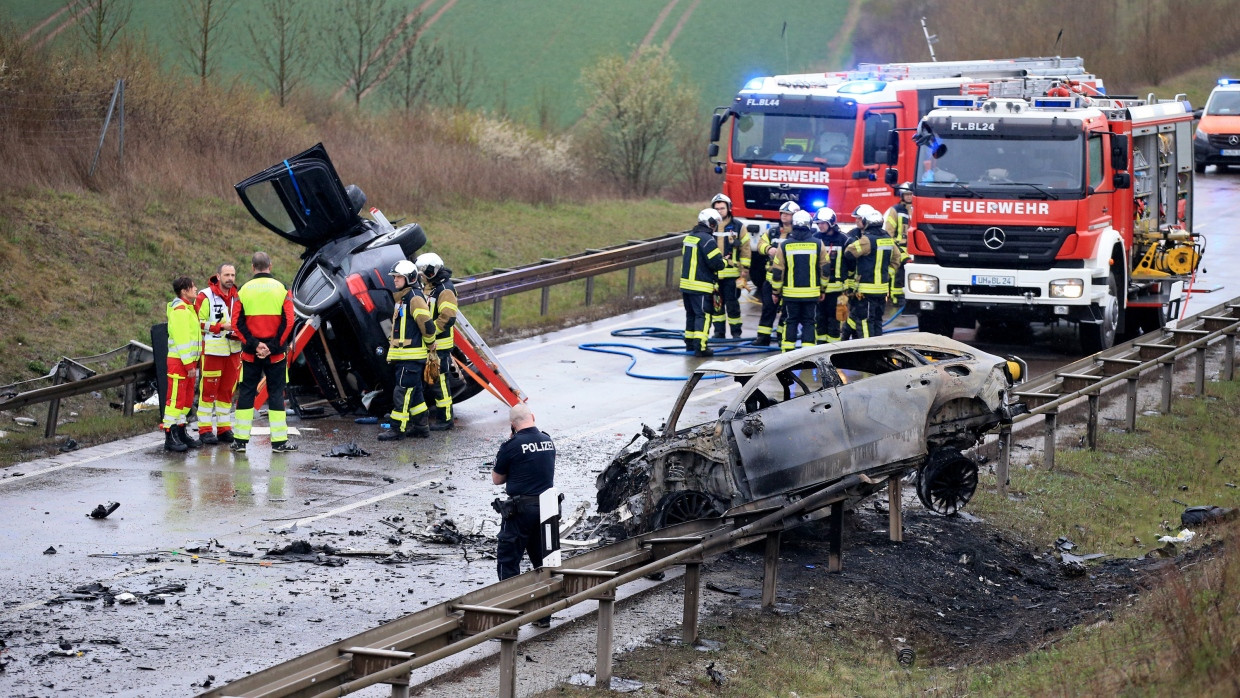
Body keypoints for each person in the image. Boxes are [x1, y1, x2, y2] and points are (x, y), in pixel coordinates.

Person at [231, 251, 297, 454]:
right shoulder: (281, 289)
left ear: (253, 267)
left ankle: (240, 441)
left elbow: (236, 323)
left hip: (251, 354)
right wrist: (272, 346)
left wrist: (254, 345)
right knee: (276, 393)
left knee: (247, 393)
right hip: (275, 355)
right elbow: (289, 321)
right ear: (270, 265)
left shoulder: (243, 290)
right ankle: (279, 443)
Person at [491, 404, 556, 593]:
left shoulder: (511, 446)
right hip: (546, 509)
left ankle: (511, 613)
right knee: (543, 561)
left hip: (519, 512)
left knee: (508, 560)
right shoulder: (548, 441)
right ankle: (544, 616)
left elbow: (497, 479)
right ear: (533, 417)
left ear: (512, 424)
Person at [379, 260, 434, 441]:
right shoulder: (404, 297)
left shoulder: (414, 298)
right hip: (405, 356)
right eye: (394, 277)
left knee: (401, 392)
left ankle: (398, 429)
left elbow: (427, 325)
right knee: (415, 392)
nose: (394, 280)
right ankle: (421, 426)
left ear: (409, 278)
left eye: (398, 277)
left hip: (412, 357)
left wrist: (430, 344)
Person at [193, 263, 241, 445]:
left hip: (233, 350)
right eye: (227, 275)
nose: (230, 278)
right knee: (208, 391)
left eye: (233, 275)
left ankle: (224, 428)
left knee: (227, 391)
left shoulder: (237, 296)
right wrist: (221, 327)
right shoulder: (205, 296)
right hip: (213, 350)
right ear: (218, 276)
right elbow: (198, 323)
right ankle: (205, 429)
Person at [771, 210, 828, 351]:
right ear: (809, 224)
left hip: (790, 295)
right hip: (812, 294)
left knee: (790, 321)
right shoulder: (818, 244)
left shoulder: (784, 245)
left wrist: (775, 292)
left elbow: (778, 271)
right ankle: (807, 354)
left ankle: (787, 355)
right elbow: (825, 269)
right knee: (809, 322)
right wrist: (823, 289)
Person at [842, 205, 897, 339]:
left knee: (865, 321)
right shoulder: (888, 240)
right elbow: (896, 258)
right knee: (877, 320)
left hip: (866, 290)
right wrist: (887, 273)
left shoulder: (867, 240)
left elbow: (849, 252)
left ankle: (866, 350)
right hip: (882, 289)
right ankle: (877, 347)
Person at [417, 252, 457, 431]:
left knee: (440, 383)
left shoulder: (445, 289)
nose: (421, 276)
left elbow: (447, 317)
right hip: (429, 344)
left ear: (432, 271)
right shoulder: (430, 287)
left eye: (423, 272)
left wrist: (429, 332)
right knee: (431, 382)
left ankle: (446, 419)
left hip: (439, 345)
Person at [163, 276, 202, 452]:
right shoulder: (180, 310)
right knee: (175, 400)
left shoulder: (188, 309)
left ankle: (180, 431)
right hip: (180, 362)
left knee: (185, 400)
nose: (196, 289)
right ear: (184, 291)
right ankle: (170, 436)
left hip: (187, 362)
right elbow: (182, 340)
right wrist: (189, 365)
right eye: (192, 287)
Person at [681, 208, 727, 357]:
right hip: (700, 285)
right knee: (703, 315)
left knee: (691, 314)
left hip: (686, 284)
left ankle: (689, 343)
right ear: (711, 223)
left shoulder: (690, 237)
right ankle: (700, 347)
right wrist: (724, 261)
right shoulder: (707, 240)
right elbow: (716, 263)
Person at [753, 201, 799, 346]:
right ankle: (763, 337)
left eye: (787, 214)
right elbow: (760, 244)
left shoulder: (799, 234)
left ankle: (782, 336)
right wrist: (768, 249)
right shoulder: (772, 232)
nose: (784, 216)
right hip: (771, 278)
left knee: (787, 311)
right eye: (782, 213)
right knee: (768, 308)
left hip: (789, 280)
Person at [708, 194, 750, 339]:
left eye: (722, 208)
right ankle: (719, 332)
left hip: (732, 274)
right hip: (714, 274)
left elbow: (745, 249)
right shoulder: (709, 226)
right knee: (717, 305)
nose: (720, 211)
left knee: (732, 305)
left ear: (729, 208)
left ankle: (736, 332)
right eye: (717, 208)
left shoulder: (738, 226)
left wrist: (744, 271)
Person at [813, 208, 850, 343]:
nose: (820, 226)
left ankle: (833, 349)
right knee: (820, 319)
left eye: (823, 223)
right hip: (819, 288)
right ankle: (820, 347)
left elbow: (850, 264)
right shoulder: (816, 238)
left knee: (835, 320)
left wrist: (848, 285)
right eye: (818, 223)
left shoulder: (844, 240)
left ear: (831, 223)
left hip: (837, 289)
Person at [883, 182, 913, 307]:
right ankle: (897, 297)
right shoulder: (895, 210)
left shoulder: (917, 209)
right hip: (899, 246)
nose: (909, 197)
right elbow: (889, 231)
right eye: (906, 194)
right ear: (902, 195)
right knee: (899, 271)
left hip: (913, 247)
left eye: (911, 194)